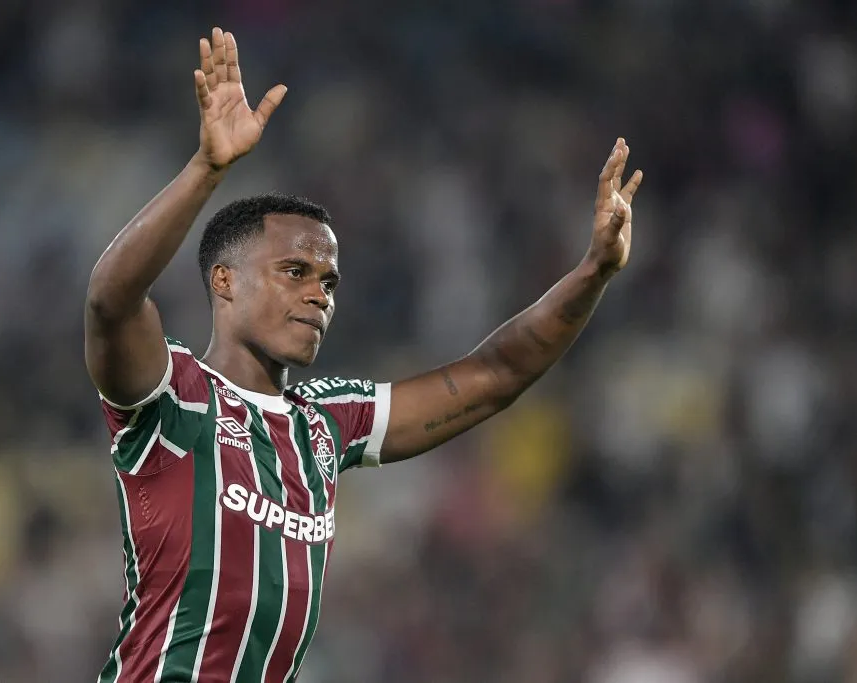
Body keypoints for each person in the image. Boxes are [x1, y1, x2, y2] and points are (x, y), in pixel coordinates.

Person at [85, 27, 643, 683]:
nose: (319, 294)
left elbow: (495, 374)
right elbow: (110, 302)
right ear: (224, 281)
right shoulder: (171, 394)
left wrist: (594, 271)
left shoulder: (323, 422)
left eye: (329, 282)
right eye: (294, 271)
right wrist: (207, 169)